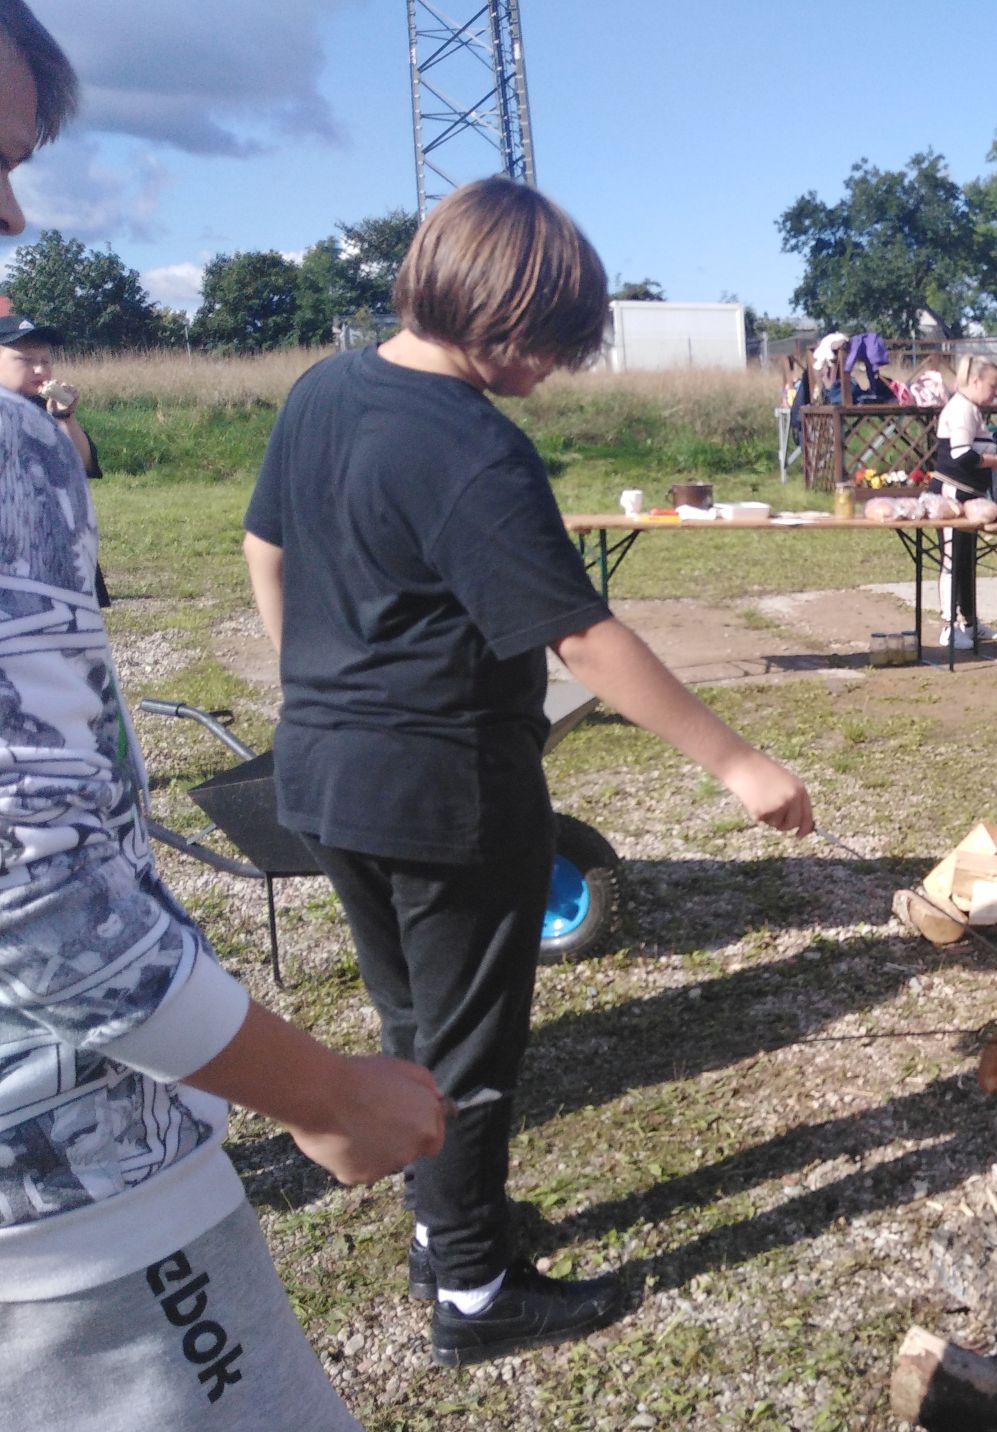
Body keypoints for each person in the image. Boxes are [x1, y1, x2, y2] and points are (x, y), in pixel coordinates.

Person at [0, 9, 451, 1432]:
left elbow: (263, 545)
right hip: (64, 1186)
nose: (12, 217)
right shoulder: (6, 452)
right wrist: (328, 1098)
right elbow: (40, 905)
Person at [242, 179, 814, 1371]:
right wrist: (738, 762)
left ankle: (442, 1227)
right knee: (472, 1052)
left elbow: (265, 548)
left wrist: (322, 686)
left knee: (413, 1022)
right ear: (504, 316)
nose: (555, 368)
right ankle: (475, 1291)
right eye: (554, 341)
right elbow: (581, 637)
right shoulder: (472, 448)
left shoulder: (326, 389)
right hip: (447, 792)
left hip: (325, 777)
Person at [0, 308, 111, 604]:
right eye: (26, 360)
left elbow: (83, 465)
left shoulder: (46, 411)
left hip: (54, 544)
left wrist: (65, 418)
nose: (40, 370)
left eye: (46, 361)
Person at [932, 354, 997, 650]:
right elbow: (961, 454)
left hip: (969, 495)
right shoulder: (961, 409)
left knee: (966, 560)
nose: (996, 393)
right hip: (953, 494)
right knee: (953, 559)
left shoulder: (971, 409)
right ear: (976, 381)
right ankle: (948, 626)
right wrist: (996, 462)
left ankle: (968, 620)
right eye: (993, 386)